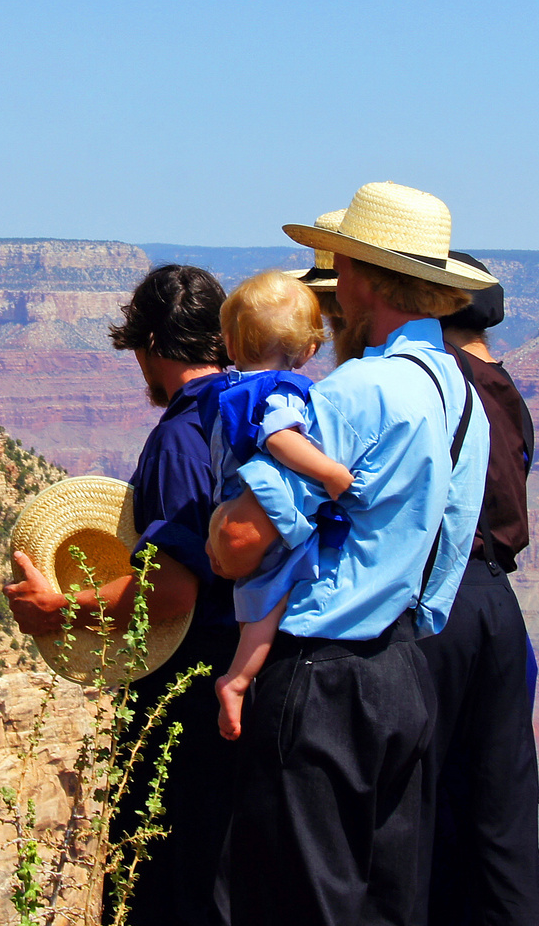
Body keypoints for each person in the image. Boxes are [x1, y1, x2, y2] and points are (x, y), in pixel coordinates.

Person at [207, 182, 496, 926]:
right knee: (385, 904)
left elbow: (242, 542)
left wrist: (216, 530)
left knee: (293, 902)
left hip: (320, 679)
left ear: (361, 277)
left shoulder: (354, 392)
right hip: (402, 672)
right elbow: (454, 533)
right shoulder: (459, 392)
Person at [6, 263, 235, 926]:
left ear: (150, 345)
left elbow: (168, 590)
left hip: (188, 695)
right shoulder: (260, 410)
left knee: (162, 885)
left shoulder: (181, 434)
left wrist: (58, 609)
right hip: (256, 681)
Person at [418, 252, 539, 926]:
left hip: (446, 599)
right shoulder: (504, 386)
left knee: (430, 801)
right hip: (499, 601)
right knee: (501, 810)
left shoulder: (442, 384)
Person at [202, 270, 353, 742]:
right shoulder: (280, 390)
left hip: (230, 500)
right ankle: (239, 679)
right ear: (309, 351)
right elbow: (280, 438)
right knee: (275, 594)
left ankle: (237, 679)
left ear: (228, 343)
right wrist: (328, 472)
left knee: (261, 598)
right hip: (267, 507)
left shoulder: (228, 389)